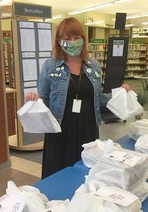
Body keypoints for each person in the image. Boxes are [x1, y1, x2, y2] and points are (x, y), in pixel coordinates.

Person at [25, 17, 131, 179]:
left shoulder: (93, 65)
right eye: (67, 39)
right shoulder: (50, 66)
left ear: (83, 38)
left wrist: (119, 93)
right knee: (57, 176)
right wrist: (34, 103)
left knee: (85, 174)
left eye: (76, 38)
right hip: (60, 130)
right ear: (59, 41)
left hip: (87, 130)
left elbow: (99, 99)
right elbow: (44, 100)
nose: (73, 42)